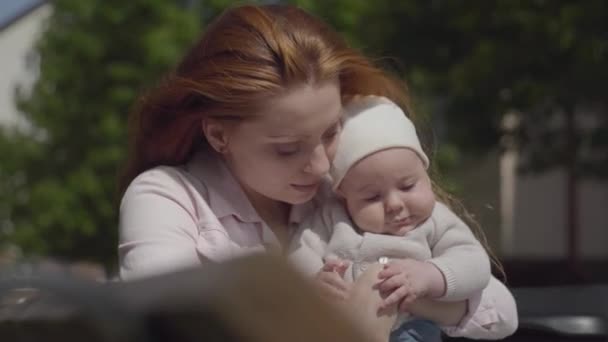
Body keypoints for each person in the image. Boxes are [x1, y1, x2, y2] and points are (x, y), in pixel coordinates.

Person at [118, 3, 518, 341]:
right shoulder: (166, 198)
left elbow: (498, 309)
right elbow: (168, 329)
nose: (322, 165)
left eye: (331, 133)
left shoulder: (352, 186)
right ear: (219, 135)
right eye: (288, 149)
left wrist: (388, 290)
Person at [289, 95, 492, 341]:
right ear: (344, 197)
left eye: (407, 186)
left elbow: (475, 263)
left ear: (426, 176)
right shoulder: (332, 218)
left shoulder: (436, 221)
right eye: (372, 197)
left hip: (412, 329)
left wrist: (430, 275)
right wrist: (313, 281)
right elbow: (297, 253)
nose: (394, 205)